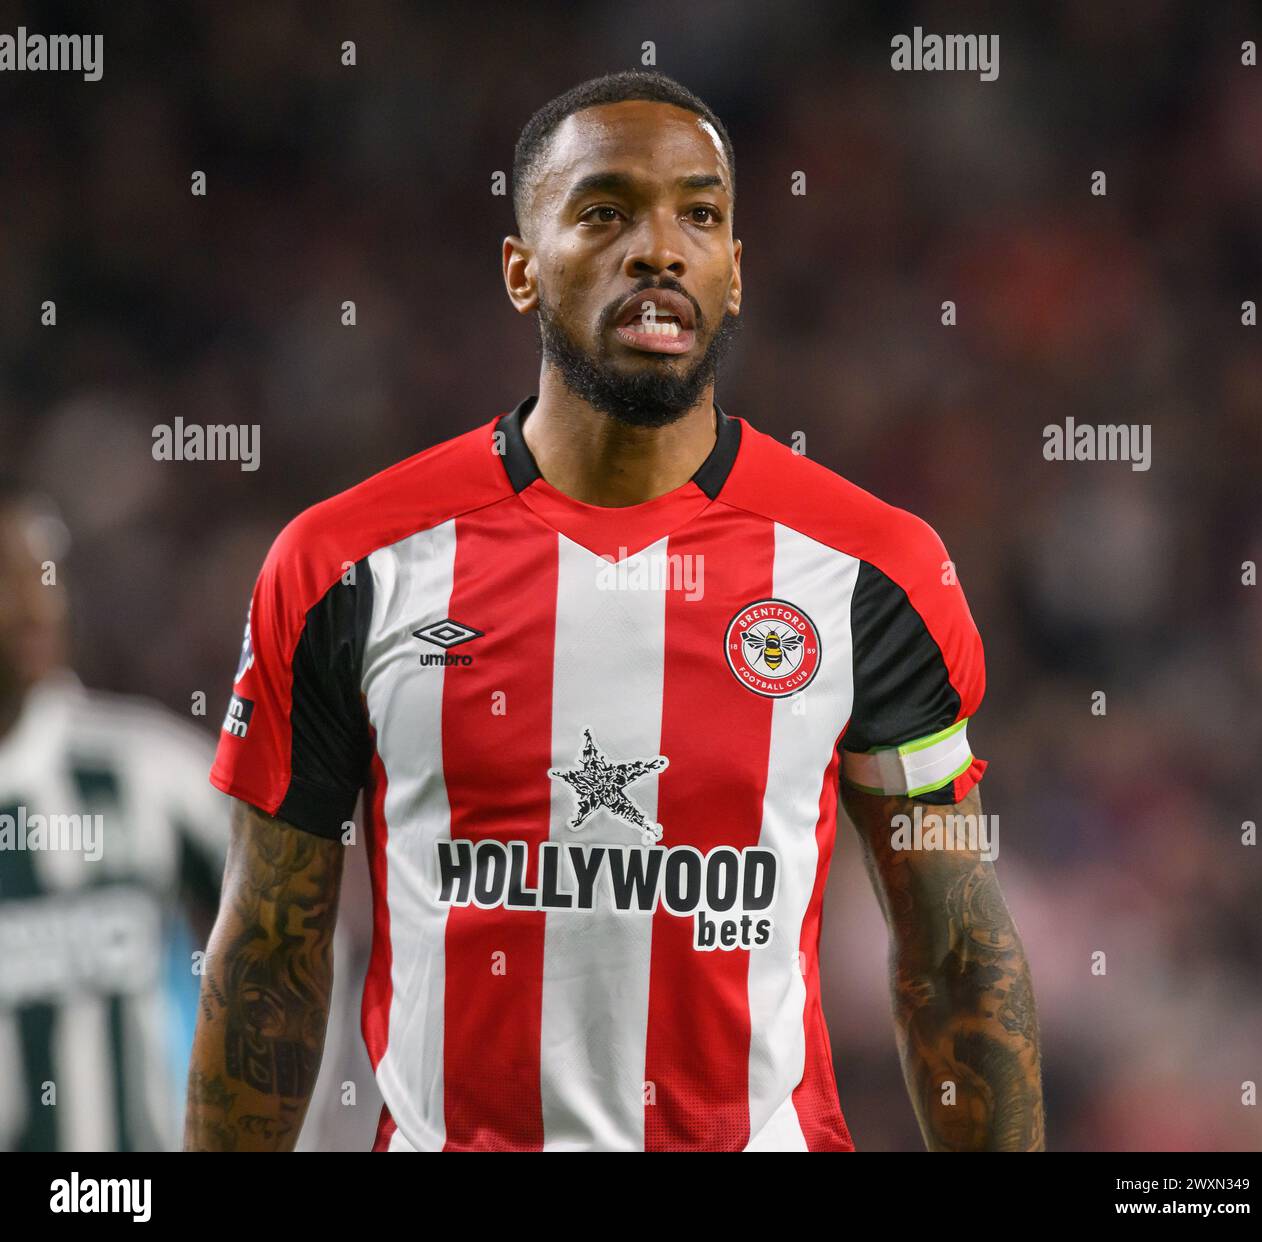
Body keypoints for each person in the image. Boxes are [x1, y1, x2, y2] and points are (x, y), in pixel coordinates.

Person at [185, 70, 1044, 1152]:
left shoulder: (874, 572)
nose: (659, 248)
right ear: (520, 271)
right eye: (604, 212)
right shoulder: (344, 565)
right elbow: (267, 955)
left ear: (735, 275)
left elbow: (953, 953)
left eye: (700, 215)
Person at [0, 482, 228, 1150]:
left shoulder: (147, 771)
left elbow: (291, 937)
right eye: (9, 579)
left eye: (47, 574)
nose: (39, 605)